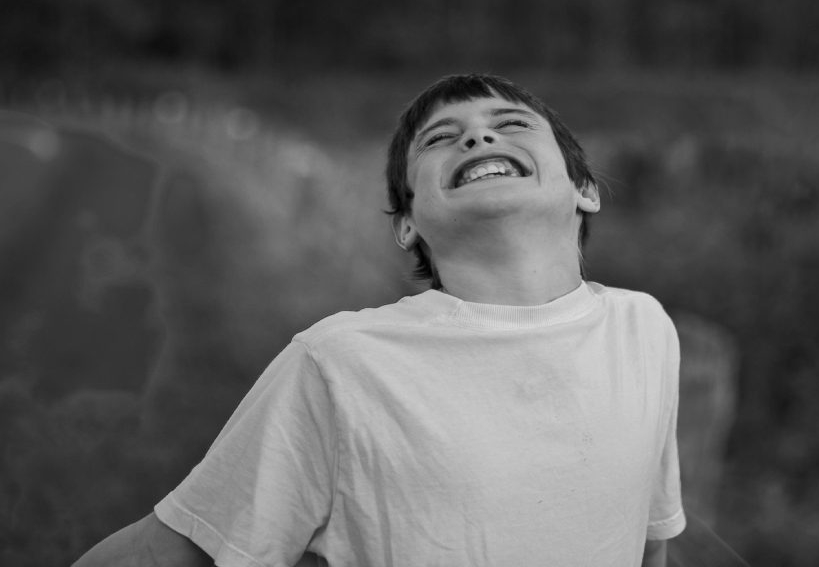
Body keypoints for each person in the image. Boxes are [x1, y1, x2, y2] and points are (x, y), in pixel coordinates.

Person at [74, 73, 686, 567]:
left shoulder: (645, 330)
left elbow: (647, 543)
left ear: (585, 188)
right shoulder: (339, 362)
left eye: (511, 125)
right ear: (407, 224)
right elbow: (180, 549)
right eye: (441, 138)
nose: (478, 139)